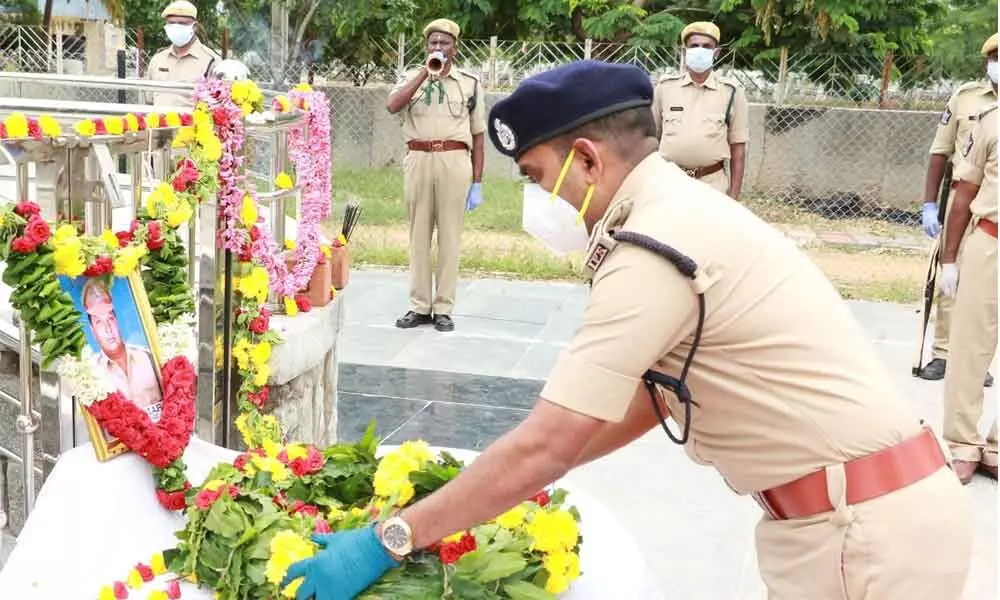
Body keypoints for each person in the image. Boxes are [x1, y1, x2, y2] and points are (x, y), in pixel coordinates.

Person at [280, 61, 972, 600]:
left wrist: (388, 540)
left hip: (865, 536)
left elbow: (549, 444)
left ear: (586, 160)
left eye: (535, 176)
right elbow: (654, 397)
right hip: (858, 519)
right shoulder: (676, 208)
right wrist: (497, 481)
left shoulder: (652, 245)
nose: (534, 200)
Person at [386, 18, 486, 333]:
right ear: (426, 46)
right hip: (418, 158)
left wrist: (478, 183)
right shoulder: (410, 77)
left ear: (454, 47)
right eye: (433, 43)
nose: (438, 48)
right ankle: (419, 306)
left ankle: (443, 308)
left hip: (455, 160)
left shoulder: (468, 83)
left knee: (450, 238)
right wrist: (423, 73)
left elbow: (479, 136)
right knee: (418, 236)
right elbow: (392, 105)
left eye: (444, 43)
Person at [917, 33, 997, 384]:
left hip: (992, 205)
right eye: (995, 57)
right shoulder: (966, 98)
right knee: (952, 274)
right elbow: (940, 151)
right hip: (962, 199)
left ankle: (977, 361)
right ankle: (944, 353)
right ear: (987, 62)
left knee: (988, 289)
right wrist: (929, 203)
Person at [938, 98, 998, 485]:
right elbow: (964, 192)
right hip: (991, 241)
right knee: (970, 347)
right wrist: (949, 258)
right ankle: (963, 444)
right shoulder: (991, 123)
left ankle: (995, 448)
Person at [651, 21, 749, 198]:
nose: (699, 50)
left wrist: (734, 198)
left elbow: (738, 149)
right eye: (694, 46)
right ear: (685, 51)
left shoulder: (731, 93)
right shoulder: (665, 89)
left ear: (716, 52)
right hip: (669, 183)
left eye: (706, 46)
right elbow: (651, 140)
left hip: (712, 186)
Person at [82, 279, 163, 417]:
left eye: (110, 319)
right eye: (99, 323)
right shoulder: (92, 373)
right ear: (92, 330)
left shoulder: (147, 356)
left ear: (117, 321)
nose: (108, 329)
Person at [145, 0, 221, 109]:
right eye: (171, 23)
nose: (176, 27)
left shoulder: (210, 61)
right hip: (158, 123)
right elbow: (149, 101)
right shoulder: (158, 59)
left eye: (182, 23)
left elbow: (217, 106)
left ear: (194, 27)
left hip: (193, 124)